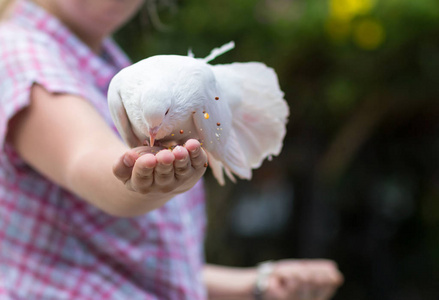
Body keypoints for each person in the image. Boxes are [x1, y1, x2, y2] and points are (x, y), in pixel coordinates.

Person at [0, 0, 343, 299]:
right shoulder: (18, 54)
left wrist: (254, 284)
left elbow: (124, 264)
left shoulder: (108, 63)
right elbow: (84, 160)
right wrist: (142, 180)